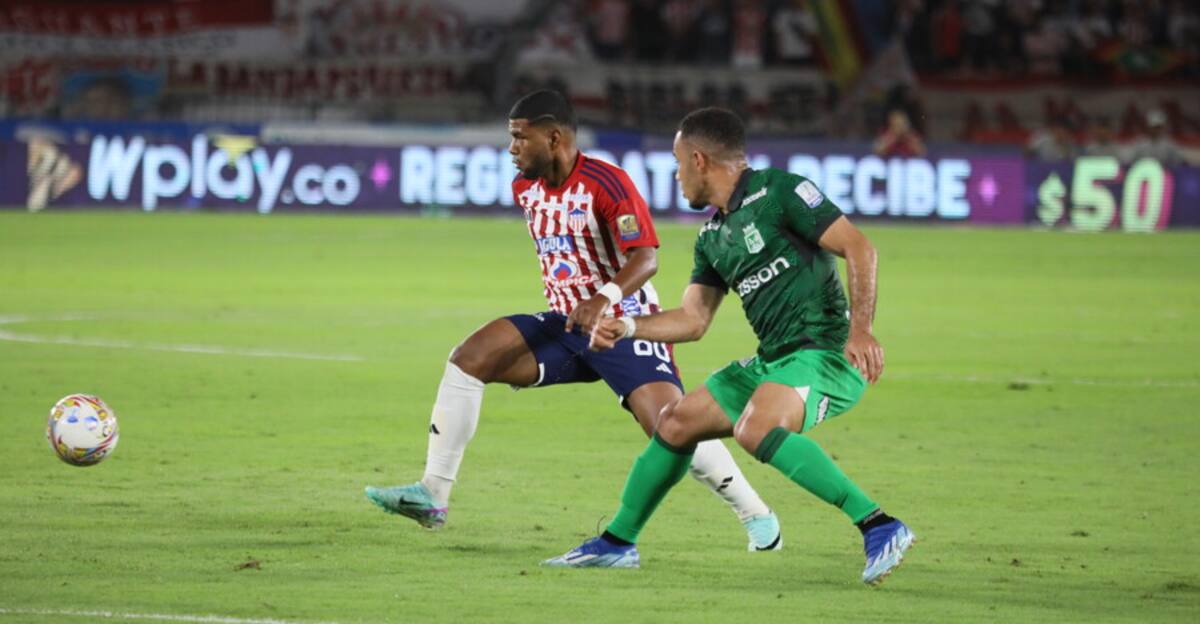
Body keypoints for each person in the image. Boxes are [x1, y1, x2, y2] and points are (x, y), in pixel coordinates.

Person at [365, 91, 783, 552]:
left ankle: (757, 514)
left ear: (554, 137)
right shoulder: (525, 188)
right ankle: (433, 495)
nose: (512, 149)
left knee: (670, 424)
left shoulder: (607, 182)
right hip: (566, 325)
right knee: (470, 358)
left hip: (622, 323)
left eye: (520, 138)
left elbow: (645, 258)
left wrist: (603, 300)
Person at [543, 107, 915, 585]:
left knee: (755, 427)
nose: (676, 177)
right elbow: (694, 320)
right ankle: (617, 543)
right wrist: (629, 326)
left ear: (699, 159)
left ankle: (879, 524)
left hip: (827, 353)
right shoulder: (713, 237)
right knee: (677, 421)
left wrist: (861, 328)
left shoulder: (782, 192)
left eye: (678, 164)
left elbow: (860, 248)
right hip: (774, 361)